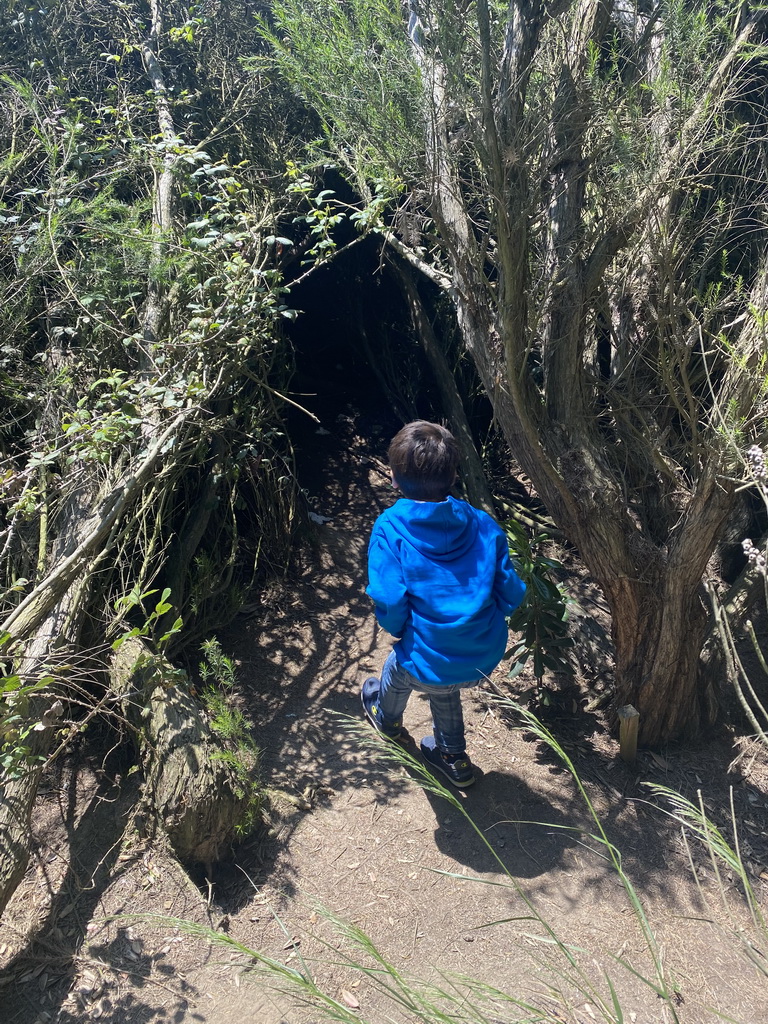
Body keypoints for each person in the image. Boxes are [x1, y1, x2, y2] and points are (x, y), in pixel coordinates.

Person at [362, 421, 526, 788]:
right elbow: (512, 591)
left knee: (400, 665)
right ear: (453, 476)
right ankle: (453, 757)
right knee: (443, 682)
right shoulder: (482, 524)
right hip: (483, 657)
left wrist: (399, 630)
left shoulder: (389, 528)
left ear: (393, 478)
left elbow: (389, 599)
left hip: (429, 659)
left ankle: (386, 720)